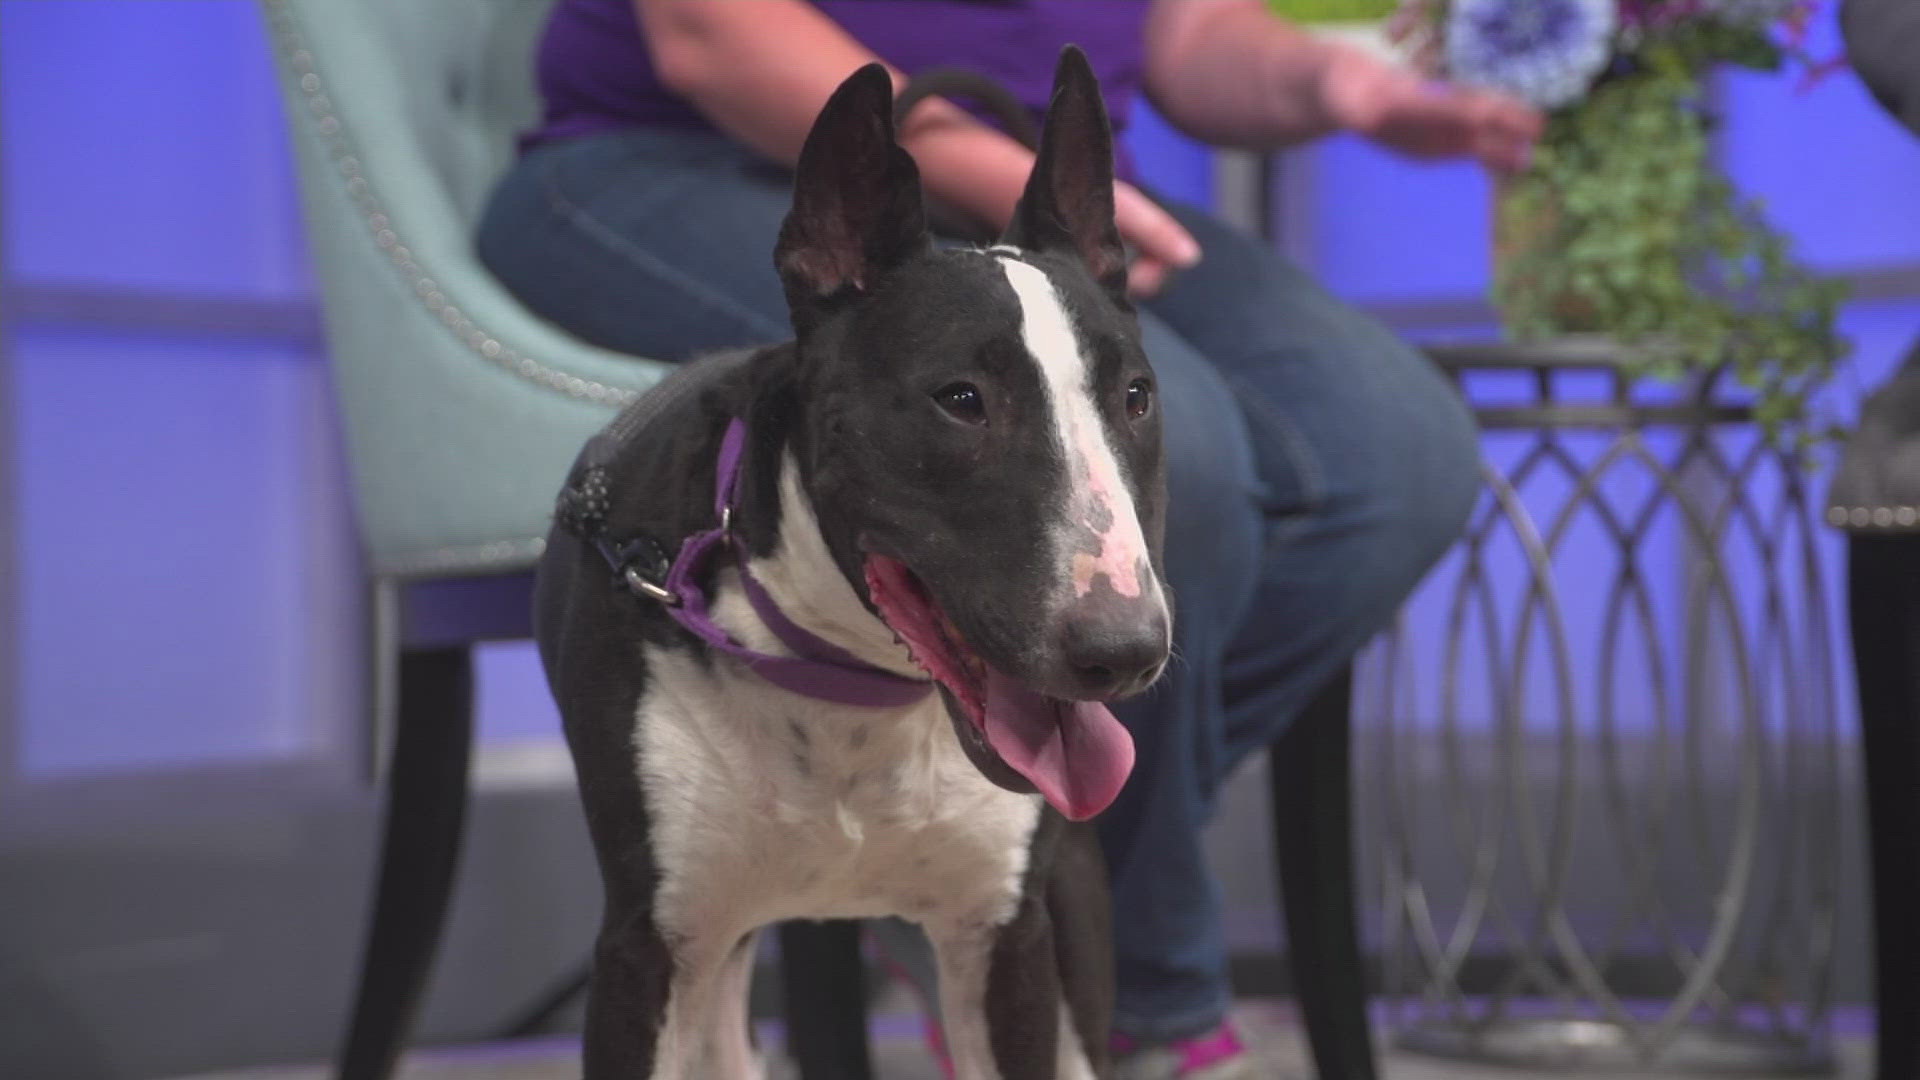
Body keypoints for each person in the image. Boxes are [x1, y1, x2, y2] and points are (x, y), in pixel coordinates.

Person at [477, 2, 1540, 1076]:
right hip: (685, 158)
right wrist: (969, 169)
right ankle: (1145, 1009)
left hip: (1018, 201)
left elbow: (1184, 29)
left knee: (1398, 454)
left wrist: (1329, 87)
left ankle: (963, 840)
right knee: (1201, 467)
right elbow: (711, 31)